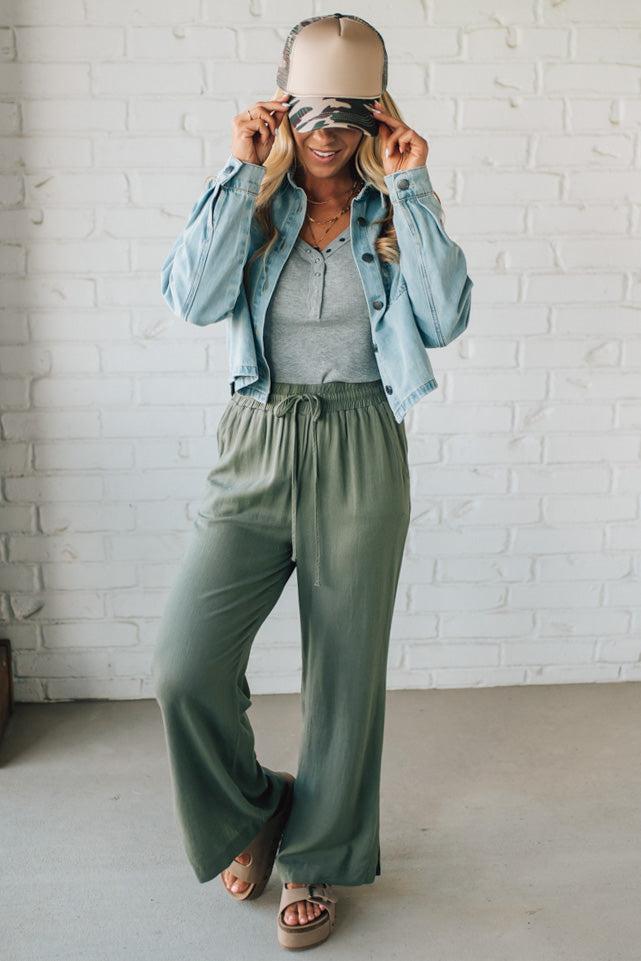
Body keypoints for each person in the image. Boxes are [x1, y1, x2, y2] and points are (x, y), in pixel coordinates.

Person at [152, 13, 473, 951]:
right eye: (312, 109)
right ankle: (256, 807)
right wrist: (237, 170)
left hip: (363, 440)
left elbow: (445, 314)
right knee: (184, 664)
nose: (329, 131)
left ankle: (317, 859)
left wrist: (412, 185)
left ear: (376, 114)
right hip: (257, 437)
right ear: (283, 104)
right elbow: (192, 298)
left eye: (349, 112)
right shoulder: (253, 201)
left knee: (343, 675)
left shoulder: (391, 207)